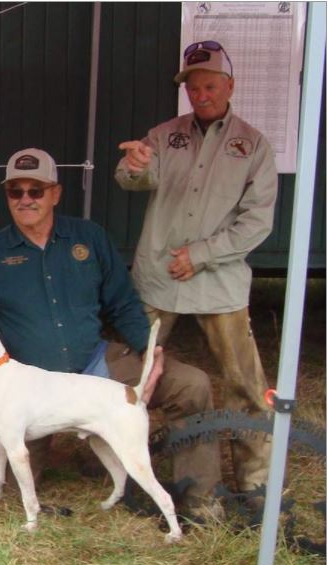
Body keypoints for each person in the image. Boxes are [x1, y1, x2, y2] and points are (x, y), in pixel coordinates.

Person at [0, 148, 223, 520]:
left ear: (55, 193)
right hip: (33, 390)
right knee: (8, 489)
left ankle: (200, 499)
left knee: (192, 384)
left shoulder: (89, 238)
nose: (26, 199)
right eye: (16, 191)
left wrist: (148, 347)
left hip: (97, 364)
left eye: (36, 190)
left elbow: (123, 301)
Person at [115, 41, 277, 496]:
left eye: (209, 85)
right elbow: (134, 178)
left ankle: (256, 482)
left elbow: (257, 222)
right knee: (132, 375)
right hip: (158, 276)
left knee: (245, 386)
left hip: (219, 283)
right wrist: (133, 165)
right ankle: (122, 471)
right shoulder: (164, 135)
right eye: (192, 87)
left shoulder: (254, 146)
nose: (200, 94)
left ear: (230, 85)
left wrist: (202, 254)